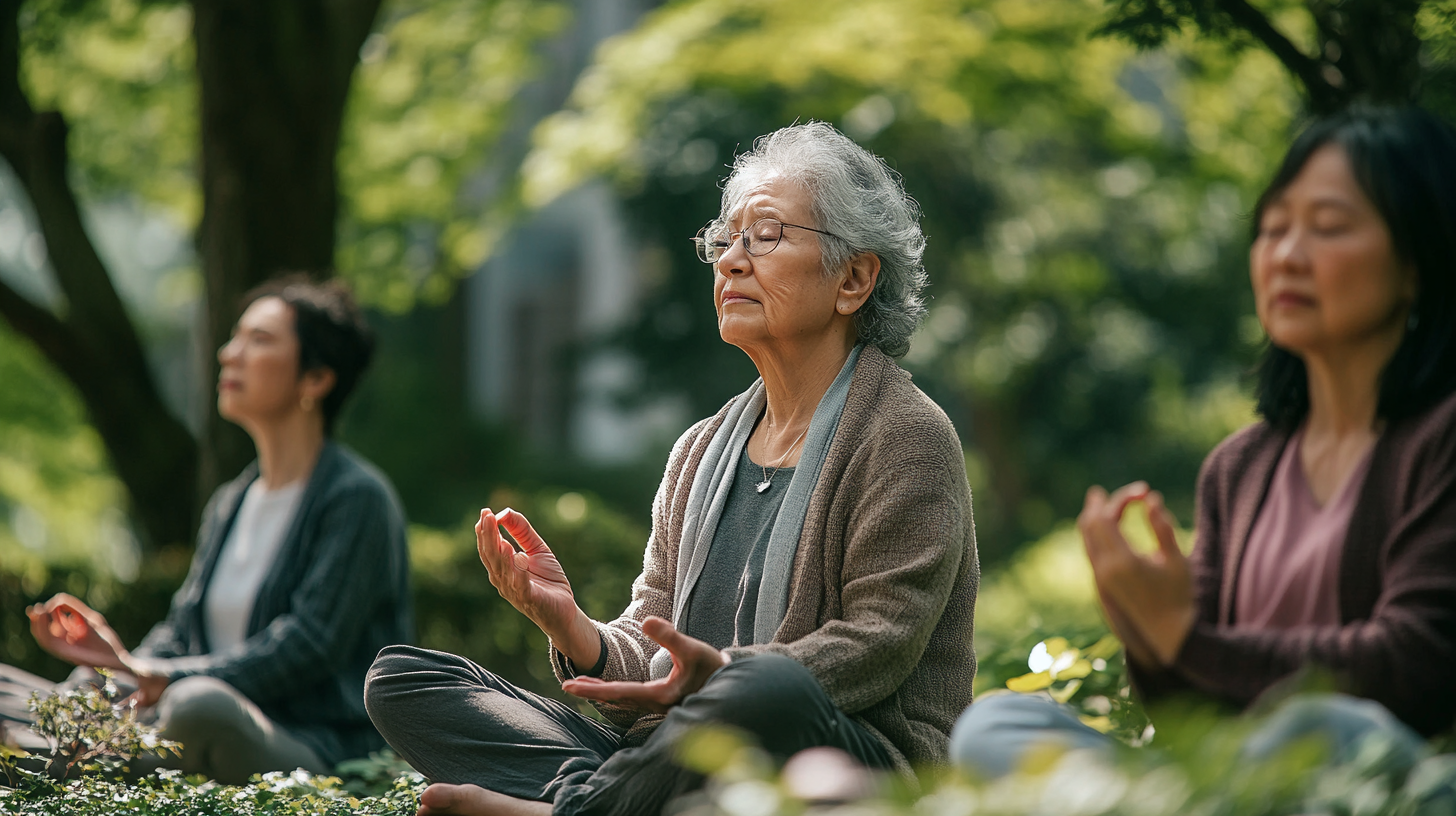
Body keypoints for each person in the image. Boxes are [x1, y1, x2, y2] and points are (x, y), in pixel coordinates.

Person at [364, 122, 979, 816]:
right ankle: (611, 806)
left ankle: (572, 810)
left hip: (836, 766)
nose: (731, 262)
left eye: (767, 235)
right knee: (402, 678)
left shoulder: (906, 435)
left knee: (765, 689)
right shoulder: (698, 450)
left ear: (854, 279)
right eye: (725, 239)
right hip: (677, 760)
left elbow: (877, 646)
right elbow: (651, 660)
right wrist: (573, 628)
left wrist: (722, 681)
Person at [952, 105, 1456, 777]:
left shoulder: (1441, 435)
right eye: (1272, 229)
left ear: (1417, 261)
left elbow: (1417, 668)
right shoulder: (1238, 468)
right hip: (1237, 769)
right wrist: (1147, 626)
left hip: (1378, 770)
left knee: (1322, 723)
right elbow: (1193, 706)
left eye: (1329, 227)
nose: (1287, 255)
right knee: (995, 723)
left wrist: (1184, 635)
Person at [0, 276, 413, 784]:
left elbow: (306, 647)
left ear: (316, 379)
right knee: (76, 685)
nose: (228, 354)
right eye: (235, 337)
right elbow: (181, 633)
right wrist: (120, 664)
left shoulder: (356, 499)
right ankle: (47, 751)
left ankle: (38, 763)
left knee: (200, 706)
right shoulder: (230, 502)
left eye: (259, 340)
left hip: (313, 748)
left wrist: (160, 678)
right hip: (183, 717)